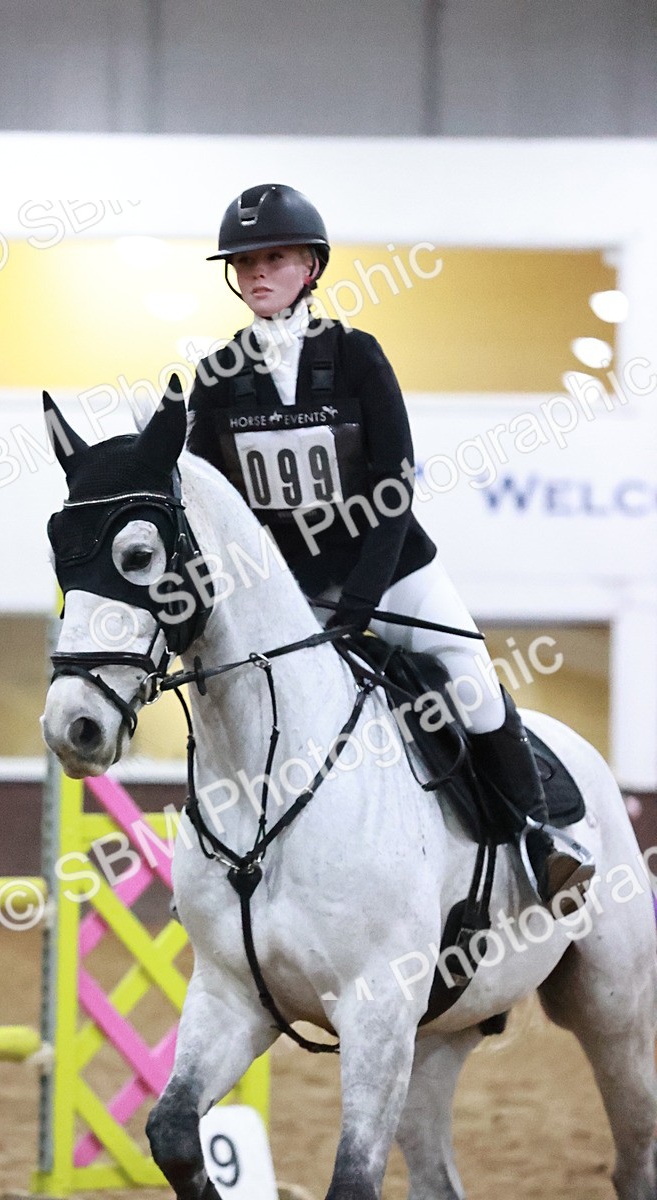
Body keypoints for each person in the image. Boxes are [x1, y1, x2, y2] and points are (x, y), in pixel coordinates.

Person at [186, 182, 594, 911]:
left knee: (468, 678)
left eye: (273, 257)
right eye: (244, 262)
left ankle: (540, 841)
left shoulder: (357, 358)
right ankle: (222, 870)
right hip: (290, 594)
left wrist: (361, 605)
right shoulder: (217, 380)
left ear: (311, 266)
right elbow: (208, 504)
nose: (256, 273)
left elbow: (392, 490)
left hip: (392, 570)